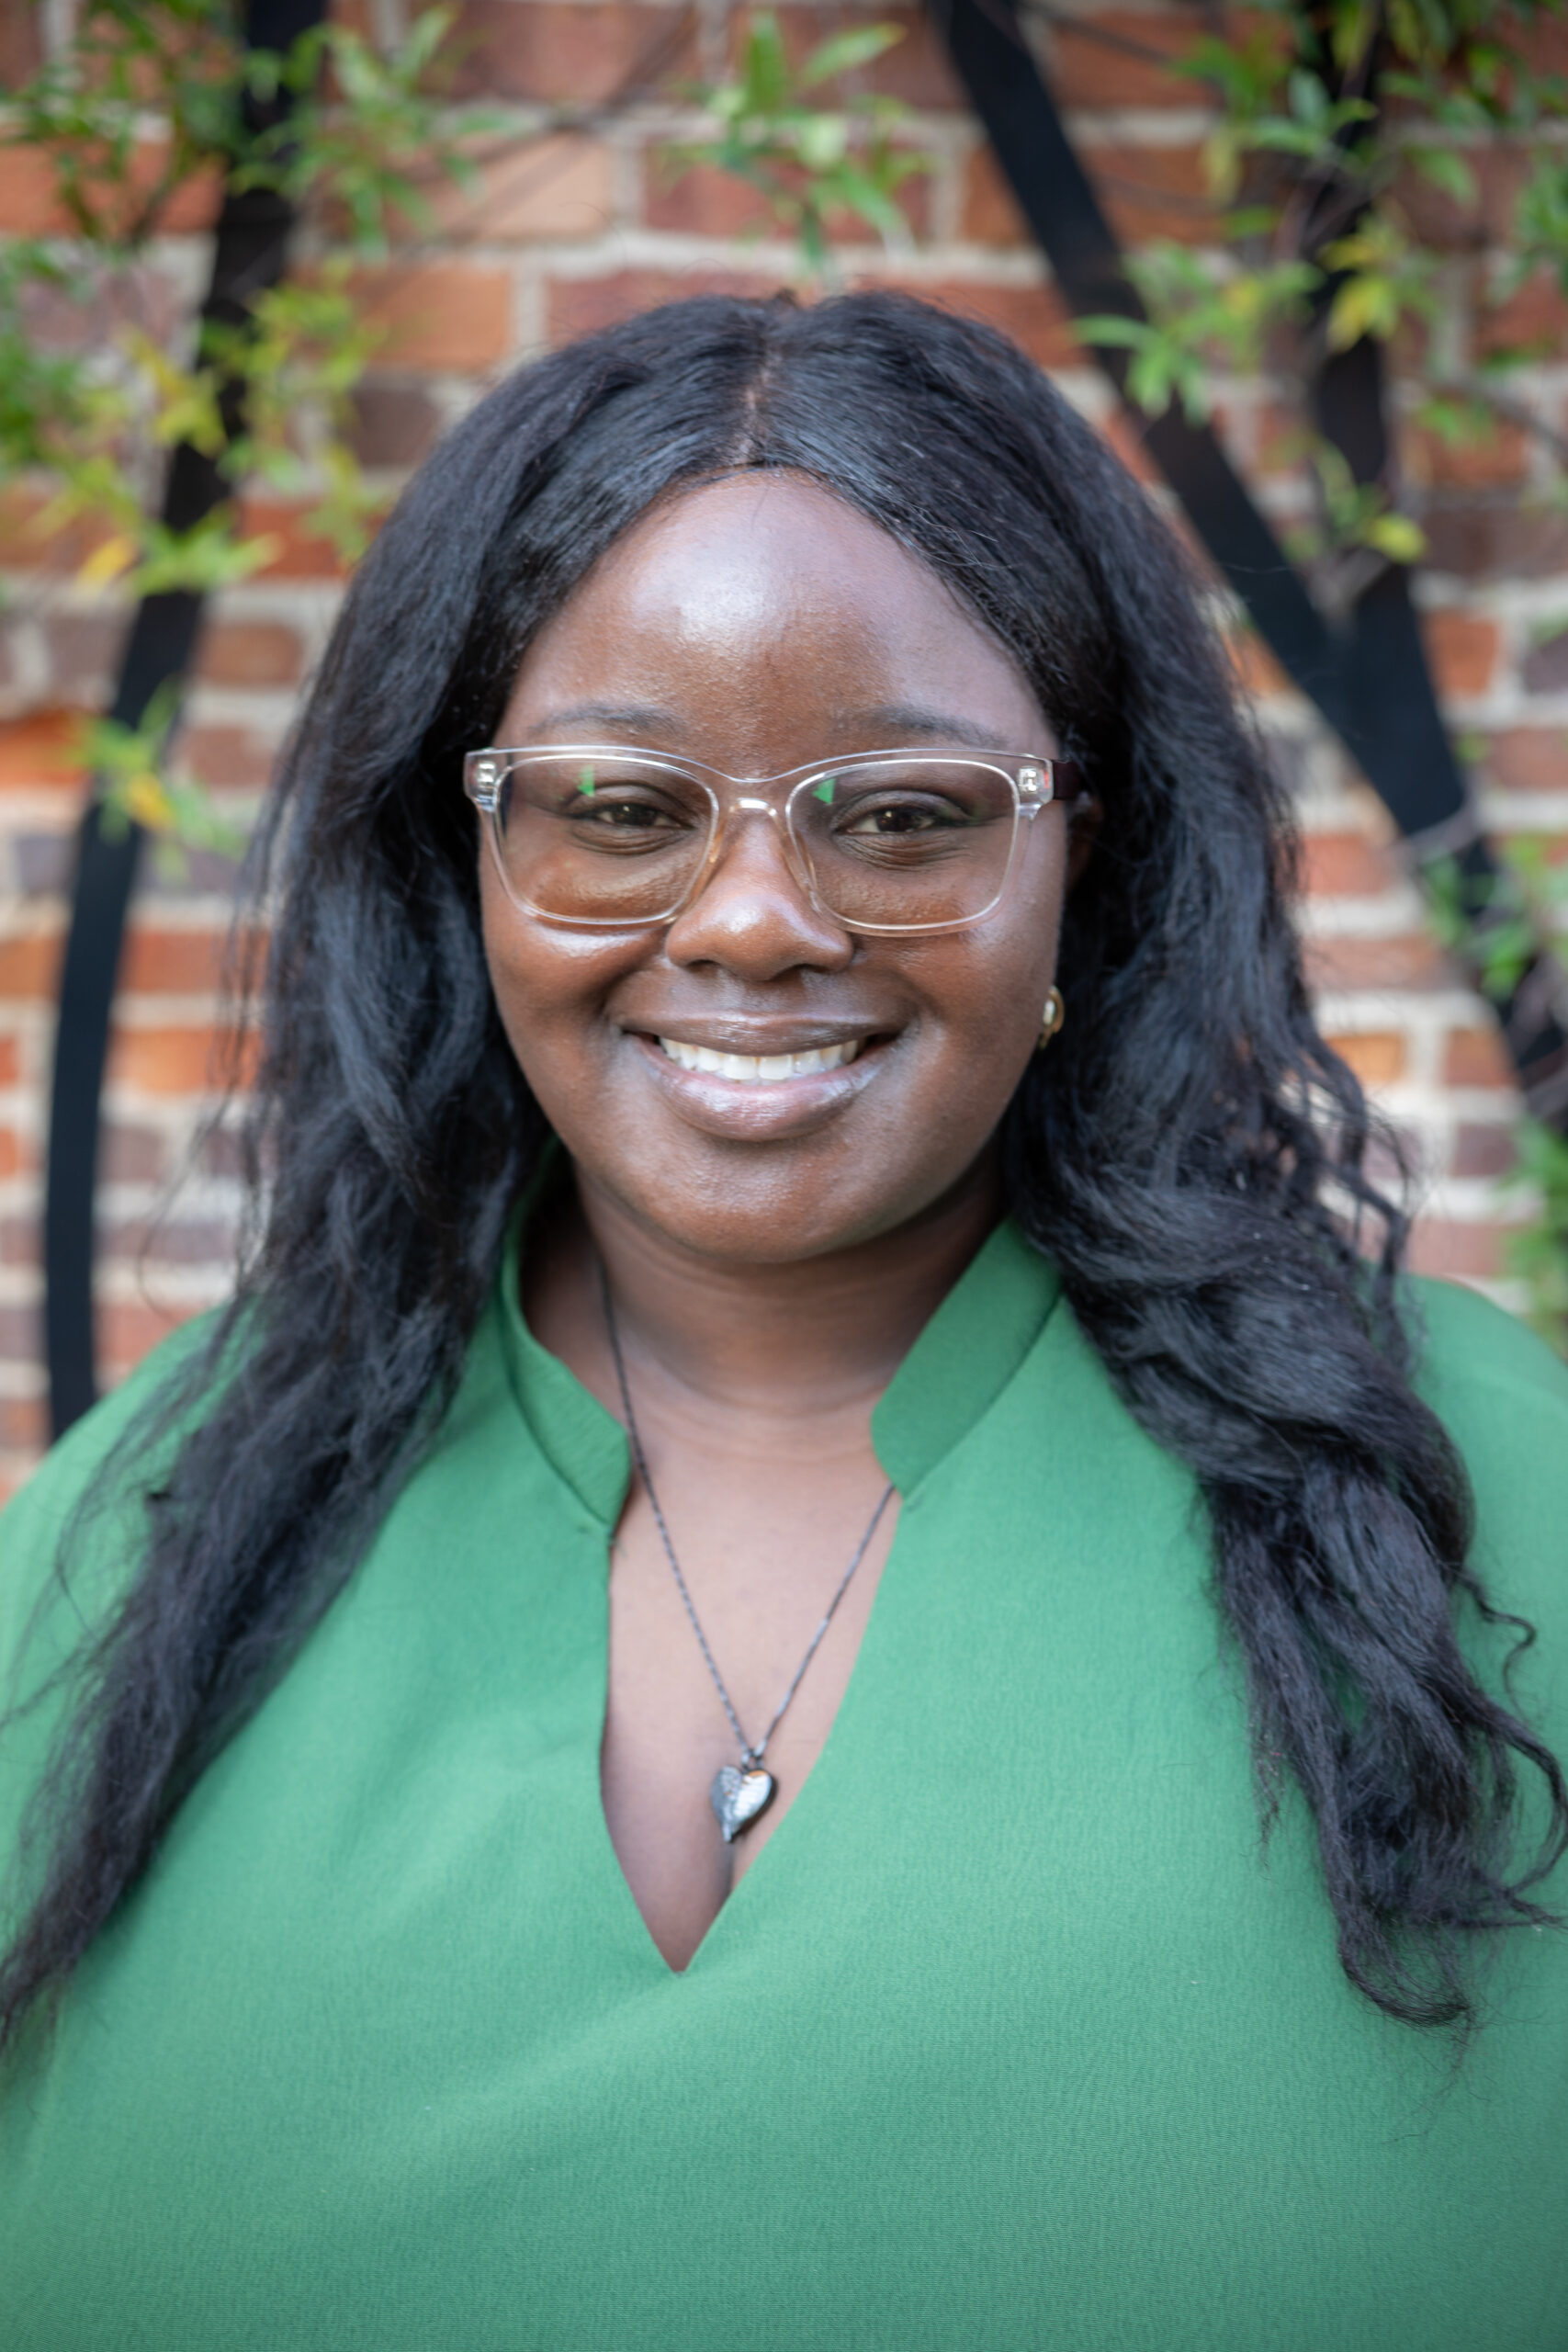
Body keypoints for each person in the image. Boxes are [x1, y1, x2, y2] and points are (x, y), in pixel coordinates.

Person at [2, 289, 1566, 2350]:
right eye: (618, 810)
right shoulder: (127, 1545)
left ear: (1078, 861)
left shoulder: (1487, 1494)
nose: (749, 919)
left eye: (903, 815)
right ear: (465, 859)